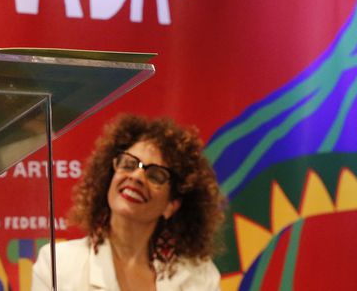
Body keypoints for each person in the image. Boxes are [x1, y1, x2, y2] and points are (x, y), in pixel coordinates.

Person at [31, 114, 224, 291]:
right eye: (129, 164)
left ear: (171, 205)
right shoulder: (57, 264)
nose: (137, 176)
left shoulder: (200, 277)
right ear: (110, 176)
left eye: (155, 175)